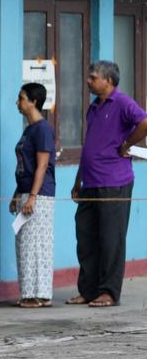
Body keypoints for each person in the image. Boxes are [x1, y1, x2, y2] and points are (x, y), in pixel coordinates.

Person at [68, 61, 147, 307]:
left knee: (111, 238)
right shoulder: (93, 107)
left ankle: (109, 292)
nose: (89, 81)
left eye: (93, 77)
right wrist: (77, 179)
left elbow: (144, 122)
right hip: (90, 181)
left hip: (114, 181)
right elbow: (90, 145)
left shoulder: (122, 102)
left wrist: (126, 146)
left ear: (108, 81)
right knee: (86, 236)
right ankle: (88, 289)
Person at [10, 83, 56, 308]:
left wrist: (33, 197)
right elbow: (24, 166)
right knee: (25, 243)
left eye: (21, 98)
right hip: (27, 191)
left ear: (33, 101)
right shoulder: (29, 129)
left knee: (35, 245)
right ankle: (35, 293)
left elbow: (42, 165)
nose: (18, 102)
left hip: (39, 194)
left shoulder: (42, 129)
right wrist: (17, 193)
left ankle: (35, 294)